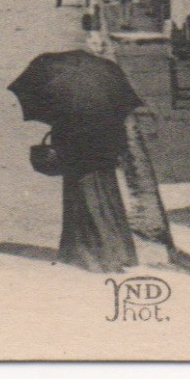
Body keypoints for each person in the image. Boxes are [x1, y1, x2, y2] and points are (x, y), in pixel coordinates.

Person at [50, 109, 139, 273]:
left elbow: (59, 138)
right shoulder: (106, 101)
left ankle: (91, 251)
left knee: (84, 203)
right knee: (106, 203)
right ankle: (115, 251)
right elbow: (120, 137)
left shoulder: (65, 103)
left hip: (78, 164)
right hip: (103, 163)